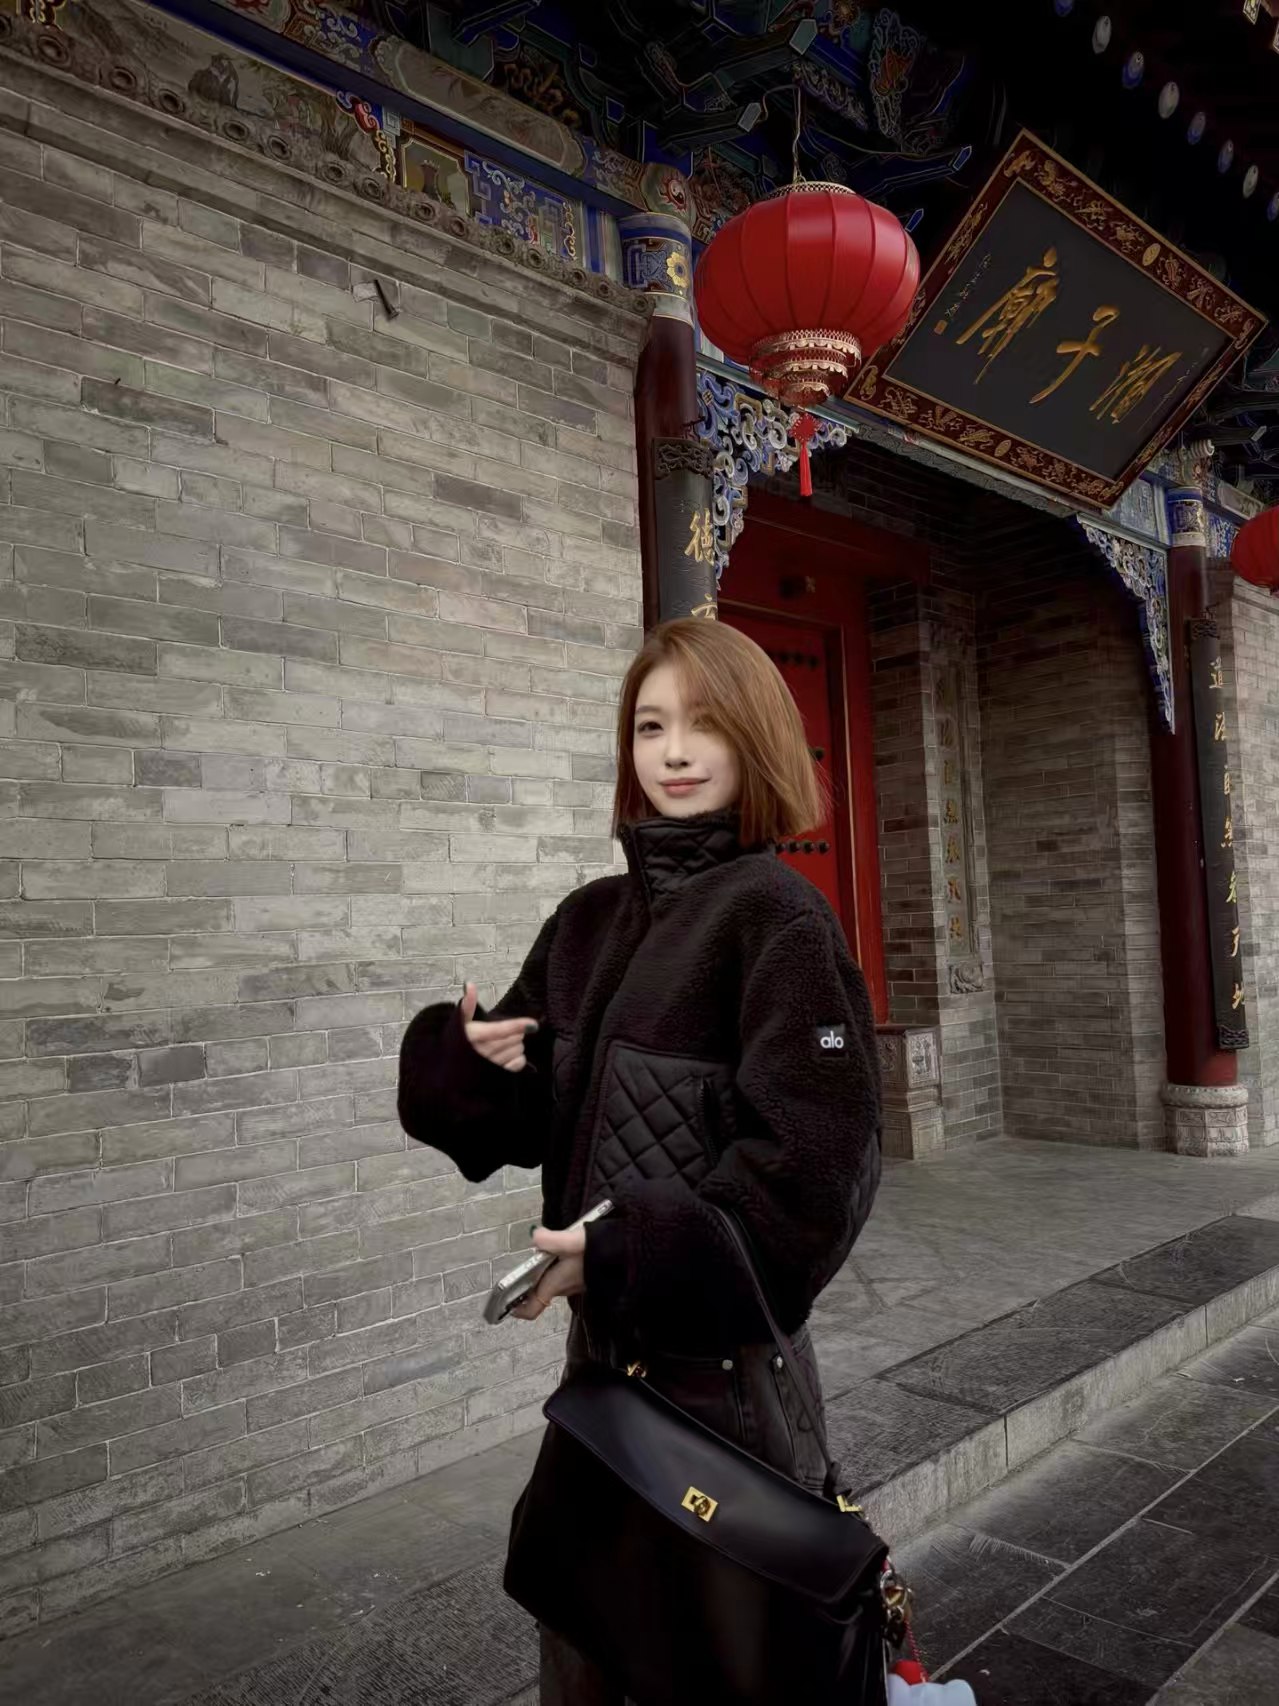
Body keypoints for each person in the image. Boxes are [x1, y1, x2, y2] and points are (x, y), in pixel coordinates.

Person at [398, 617, 883, 1704]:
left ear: (755, 739)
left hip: (730, 1396)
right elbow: (529, 1119)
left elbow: (813, 1181)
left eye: (704, 725)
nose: (674, 752)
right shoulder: (587, 922)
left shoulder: (780, 921)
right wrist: (470, 1065)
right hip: (601, 1380)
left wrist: (621, 1251)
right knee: (582, 1642)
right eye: (650, 726)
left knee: (725, 1673)